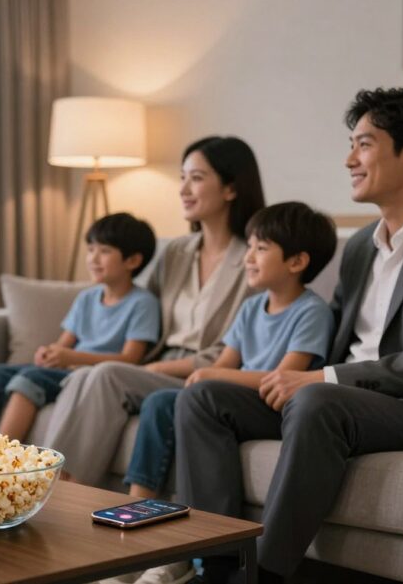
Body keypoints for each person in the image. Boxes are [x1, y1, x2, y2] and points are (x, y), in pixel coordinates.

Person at [177, 88, 403, 584]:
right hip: (341, 402)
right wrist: (295, 377)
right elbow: (332, 334)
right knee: (203, 397)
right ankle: (219, 566)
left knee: (317, 403)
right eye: (351, 144)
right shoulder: (358, 246)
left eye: (364, 144)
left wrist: (322, 379)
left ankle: (264, 576)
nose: (349, 159)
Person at [40, 136, 266, 487]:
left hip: (203, 374)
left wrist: (157, 366)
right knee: (87, 374)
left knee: (106, 374)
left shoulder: (253, 260)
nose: (184, 189)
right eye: (182, 177)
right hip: (156, 368)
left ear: (231, 189)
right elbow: (146, 315)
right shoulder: (175, 252)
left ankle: (58, 484)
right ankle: (50, 479)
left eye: (197, 178)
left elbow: (237, 349)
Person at [124, 202, 336, 500]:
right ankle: (138, 501)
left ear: (297, 262)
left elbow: (287, 377)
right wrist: (211, 374)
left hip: (273, 405)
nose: (248, 257)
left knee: (198, 393)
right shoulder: (251, 308)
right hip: (235, 397)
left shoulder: (312, 312)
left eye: (260, 249)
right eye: (249, 247)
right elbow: (226, 364)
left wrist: (211, 374)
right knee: (159, 403)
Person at [0, 213, 161, 442]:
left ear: (132, 261)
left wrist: (72, 357)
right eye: (91, 249)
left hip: (88, 377)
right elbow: (64, 343)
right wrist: (49, 353)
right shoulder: (87, 298)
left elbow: (130, 359)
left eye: (104, 251)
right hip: (66, 369)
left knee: (31, 377)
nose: (93, 258)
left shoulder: (143, 303)